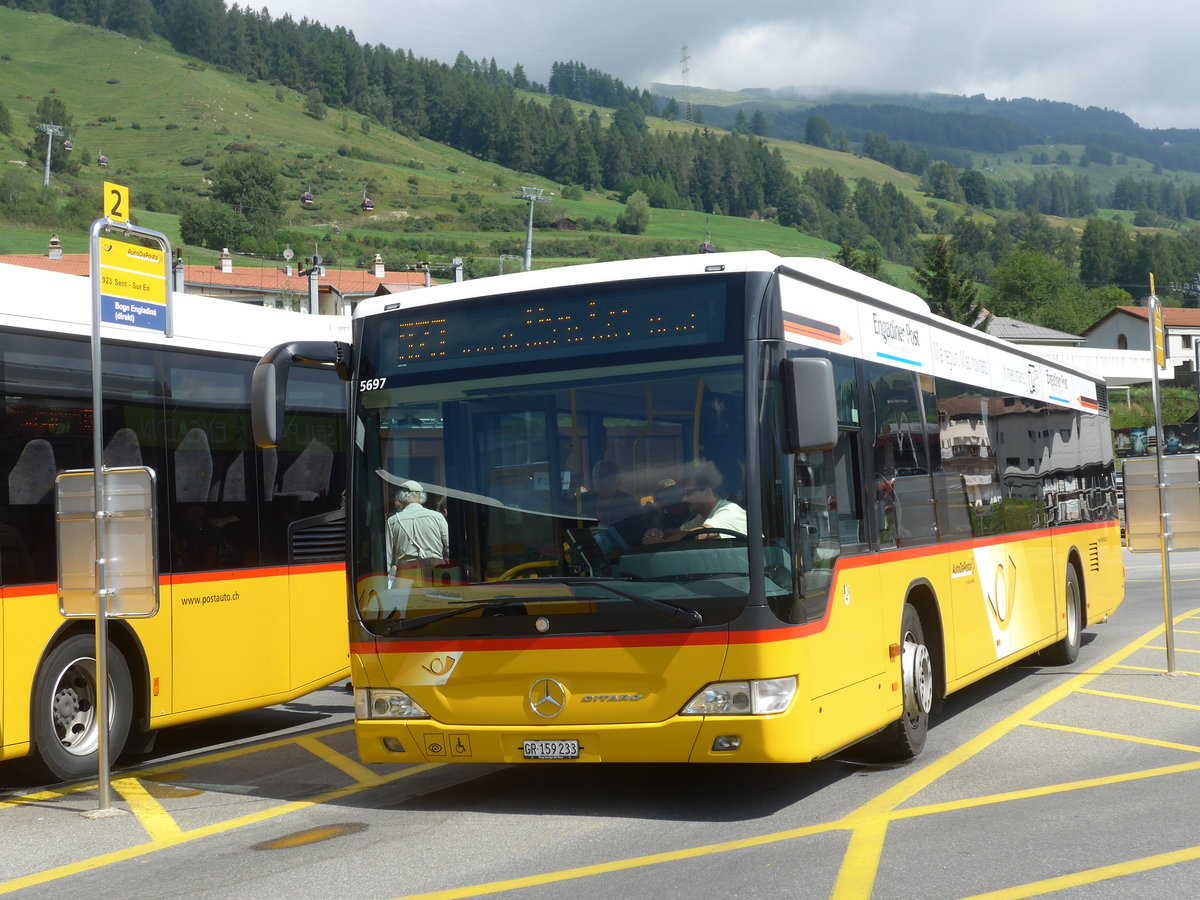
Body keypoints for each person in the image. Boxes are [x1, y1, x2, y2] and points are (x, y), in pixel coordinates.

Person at [644, 463, 746, 542]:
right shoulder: (702, 518)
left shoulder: (728, 511)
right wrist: (658, 534)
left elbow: (700, 534)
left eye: (688, 493)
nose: (684, 499)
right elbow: (680, 533)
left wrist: (659, 542)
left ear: (707, 493)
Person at [386, 480, 449, 584]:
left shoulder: (392, 521)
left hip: (406, 573)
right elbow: (448, 547)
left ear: (402, 496)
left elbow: (389, 558)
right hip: (436, 570)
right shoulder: (437, 517)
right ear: (421, 496)